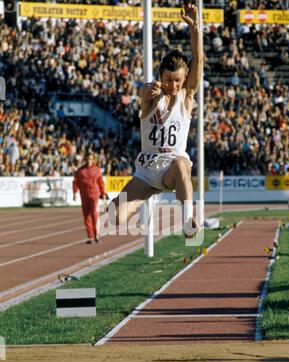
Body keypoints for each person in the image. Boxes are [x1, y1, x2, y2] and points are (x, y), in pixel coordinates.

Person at [109, 3, 203, 240]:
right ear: (161, 76)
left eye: (178, 81)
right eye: (169, 80)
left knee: (181, 163)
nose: (173, 86)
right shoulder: (152, 98)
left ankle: (188, 220)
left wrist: (195, 28)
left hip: (173, 168)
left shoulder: (186, 96)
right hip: (147, 171)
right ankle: (148, 196)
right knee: (113, 216)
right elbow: (144, 97)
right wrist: (144, 92)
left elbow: (198, 59)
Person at [73, 153, 107, 244]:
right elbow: (75, 182)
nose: (89, 161)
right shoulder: (80, 171)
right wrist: (74, 192)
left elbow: (101, 182)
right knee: (86, 217)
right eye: (87, 159)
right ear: (85, 160)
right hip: (84, 196)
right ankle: (90, 236)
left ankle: (97, 235)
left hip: (94, 195)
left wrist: (103, 193)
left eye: (91, 159)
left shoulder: (97, 170)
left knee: (95, 215)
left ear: (93, 160)